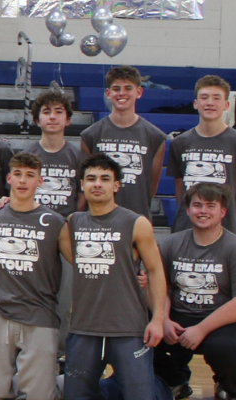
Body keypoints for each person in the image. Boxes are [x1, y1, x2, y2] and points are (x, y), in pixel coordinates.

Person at [59, 154, 170, 400]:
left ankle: (165, 391)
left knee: (140, 396)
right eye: (91, 178)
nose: (97, 183)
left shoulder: (136, 223)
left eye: (104, 178)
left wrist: (158, 319)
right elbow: (74, 258)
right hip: (84, 328)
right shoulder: (73, 223)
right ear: (82, 185)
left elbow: (154, 270)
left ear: (116, 185)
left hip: (129, 329)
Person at [0, 152, 67, 400]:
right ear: (8, 179)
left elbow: (80, 262)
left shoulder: (55, 222)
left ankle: (59, 379)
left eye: (30, 175)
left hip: (38, 313)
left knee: (40, 397)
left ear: (40, 181)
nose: (23, 180)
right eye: (18, 174)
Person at [154, 183, 236, 400]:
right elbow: (162, 288)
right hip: (179, 315)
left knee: (226, 347)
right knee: (138, 333)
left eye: (211, 206)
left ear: (223, 212)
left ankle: (231, 389)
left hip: (224, 320)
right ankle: (175, 381)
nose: (203, 211)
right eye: (197, 205)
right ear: (188, 210)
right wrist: (162, 320)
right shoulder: (170, 244)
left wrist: (201, 329)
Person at [169, 75, 236, 232]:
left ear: (226, 105)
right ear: (195, 103)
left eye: (216, 98)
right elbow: (180, 192)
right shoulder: (180, 143)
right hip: (186, 229)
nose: (210, 103)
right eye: (204, 97)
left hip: (225, 230)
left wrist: (234, 227)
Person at [80, 66, 167, 218]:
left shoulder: (155, 136)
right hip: (98, 219)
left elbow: (150, 188)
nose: (122, 93)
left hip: (137, 218)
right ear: (108, 93)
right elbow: (84, 184)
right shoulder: (91, 135)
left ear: (139, 92)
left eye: (128, 88)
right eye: (116, 88)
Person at [22, 91, 86, 216]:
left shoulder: (78, 157)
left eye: (58, 111)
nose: (52, 116)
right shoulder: (26, 156)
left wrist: (70, 221)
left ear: (67, 120)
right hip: (33, 224)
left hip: (66, 225)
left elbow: (82, 194)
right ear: (37, 120)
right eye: (46, 112)